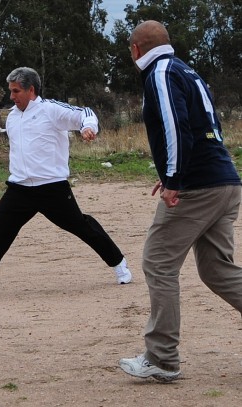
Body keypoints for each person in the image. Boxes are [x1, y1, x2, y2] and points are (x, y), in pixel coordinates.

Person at [119, 20, 242, 382]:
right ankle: (161, 356)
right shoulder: (187, 70)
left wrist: (175, 177)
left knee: (158, 262)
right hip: (225, 182)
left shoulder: (160, 72)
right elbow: (209, 127)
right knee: (217, 270)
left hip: (198, 188)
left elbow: (176, 125)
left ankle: (162, 358)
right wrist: (173, 170)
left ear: (137, 49)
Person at [0, 66, 133, 296]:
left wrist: (88, 128)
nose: (11, 97)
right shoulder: (13, 117)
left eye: (16, 91)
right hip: (19, 189)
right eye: (10, 91)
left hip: (52, 188)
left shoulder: (51, 110)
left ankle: (119, 264)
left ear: (30, 89)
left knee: (82, 226)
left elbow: (85, 113)